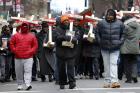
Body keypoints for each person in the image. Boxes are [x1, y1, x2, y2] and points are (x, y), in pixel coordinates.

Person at [97, 9, 124, 88]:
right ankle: (107, 81)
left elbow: (124, 34)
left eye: (111, 17)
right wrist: (100, 41)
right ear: (106, 16)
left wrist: (120, 42)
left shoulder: (120, 24)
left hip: (115, 47)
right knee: (106, 64)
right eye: (108, 16)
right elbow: (97, 33)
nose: (109, 18)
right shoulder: (101, 23)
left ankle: (114, 81)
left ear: (114, 16)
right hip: (104, 47)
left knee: (113, 64)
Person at [54, 15, 80, 89]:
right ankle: (62, 82)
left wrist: (74, 39)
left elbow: (78, 37)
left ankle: (72, 82)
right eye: (64, 21)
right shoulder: (57, 29)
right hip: (61, 52)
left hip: (71, 52)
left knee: (71, 67)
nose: (66, 22)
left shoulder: (73, 28)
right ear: (61, 22)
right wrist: (65, 37)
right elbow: (57, 38)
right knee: (61, 68)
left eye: (67, 21)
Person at [10, 22, 38, 90]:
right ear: (21, 27)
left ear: (28, 27)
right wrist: (15, 51)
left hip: (28, 57)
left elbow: (35, 45)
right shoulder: (16, 36)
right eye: (23, 26)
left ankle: (28, 84)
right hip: (18, 57)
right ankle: (20, 84)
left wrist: (31, 52)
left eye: (26, 26)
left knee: (28, 71)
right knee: (18, 71)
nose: (24, 27)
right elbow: (11, 43)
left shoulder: (32, 36)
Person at [120, 15, 140, 83]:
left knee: (127, 63)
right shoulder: (138, 25)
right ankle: (134, 75)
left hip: (126, 48)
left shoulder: (125, 26)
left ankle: (129, 79)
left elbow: (122, 36)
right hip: (136, 47)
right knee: (134, 62)